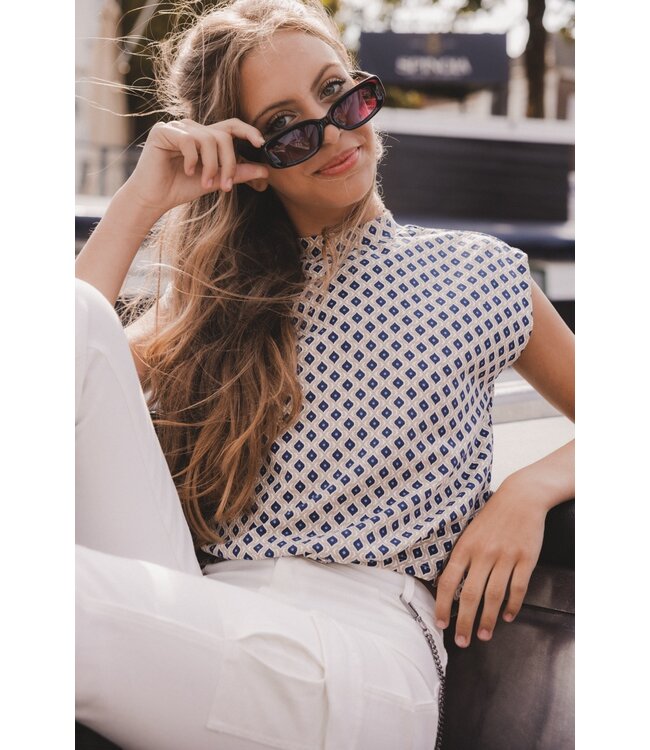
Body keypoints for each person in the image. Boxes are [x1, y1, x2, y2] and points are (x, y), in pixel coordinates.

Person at [75, 0, 575, 748]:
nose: (334, 131)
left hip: (366, 657)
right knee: (76, 314)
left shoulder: (480, 273)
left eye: (338, 93)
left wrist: (531, 488)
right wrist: (141, 200)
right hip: (198, 612)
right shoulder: (214, 309)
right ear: (249, 159)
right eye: (285, 125)